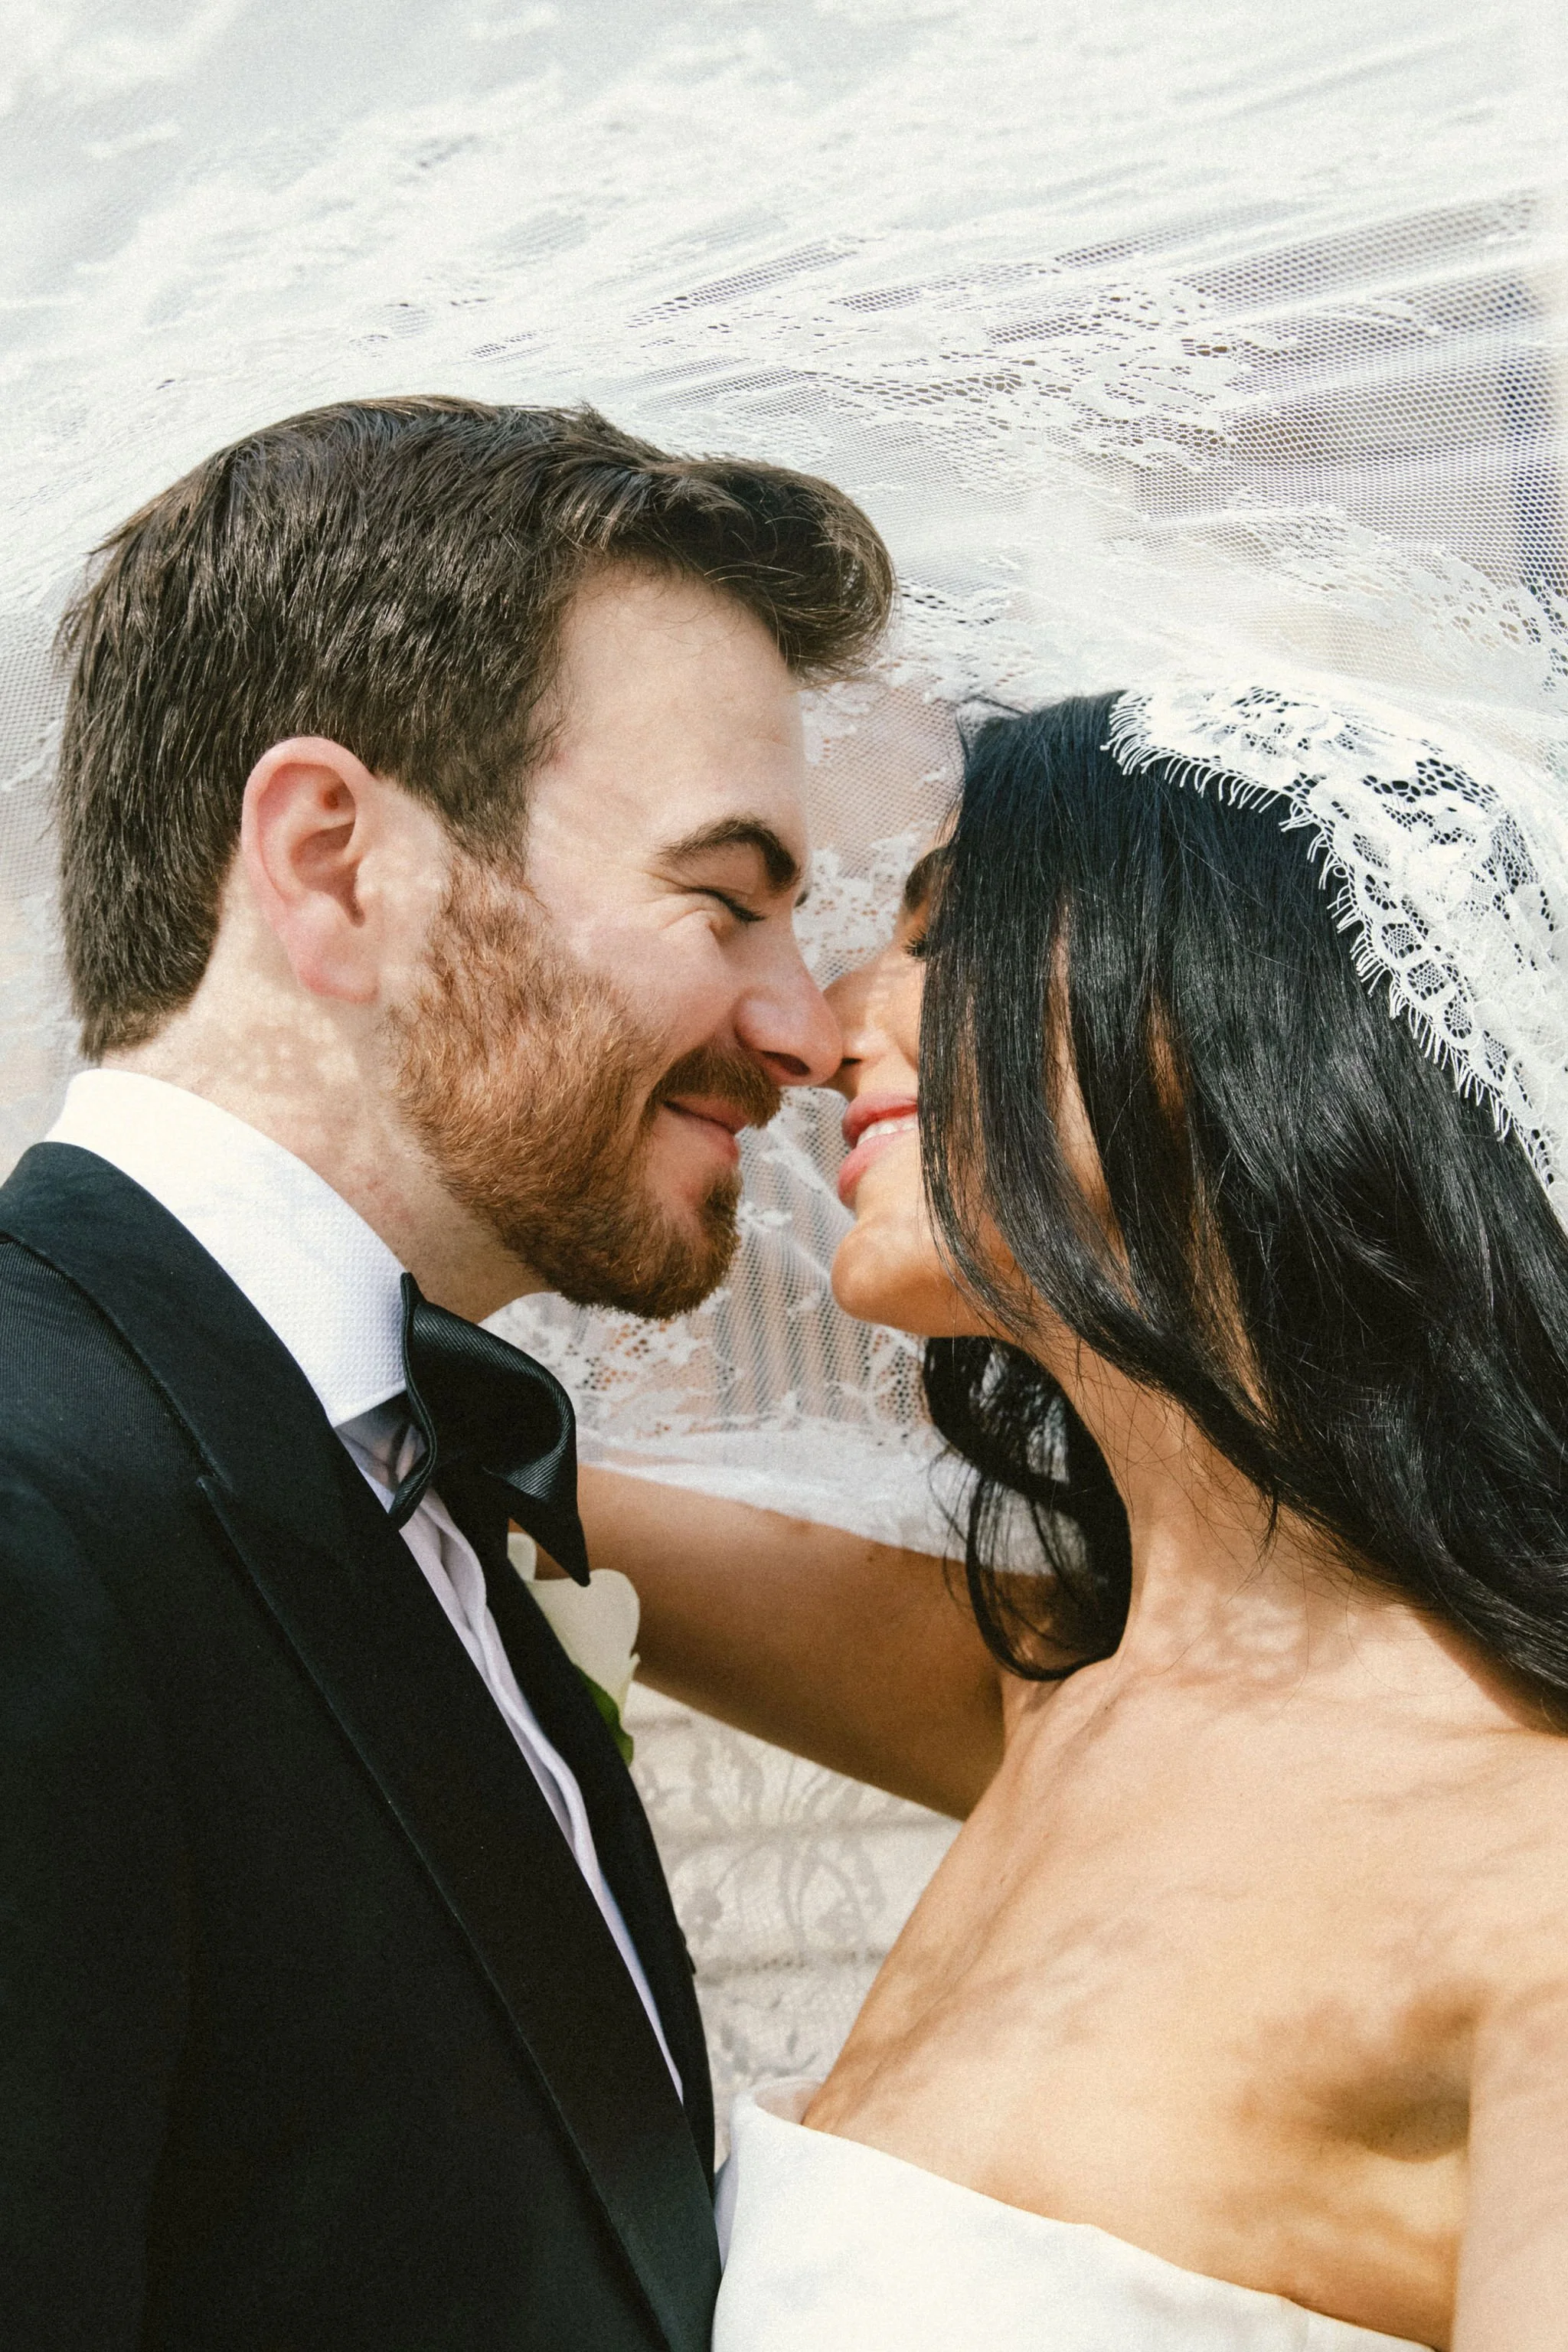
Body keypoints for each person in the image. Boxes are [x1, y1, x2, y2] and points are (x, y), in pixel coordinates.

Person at [0, 394, 896, 2352]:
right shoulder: (26, 1507)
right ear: (336, 864)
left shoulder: (409, 1474)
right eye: (724, 894)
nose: (799, 1026)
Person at [582, 691, 1568, 2350]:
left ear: (1220, 1000)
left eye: (943, 932)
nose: (830, 1033)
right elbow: (458, 1451)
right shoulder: (1053, 1703)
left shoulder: (1526, 1872)